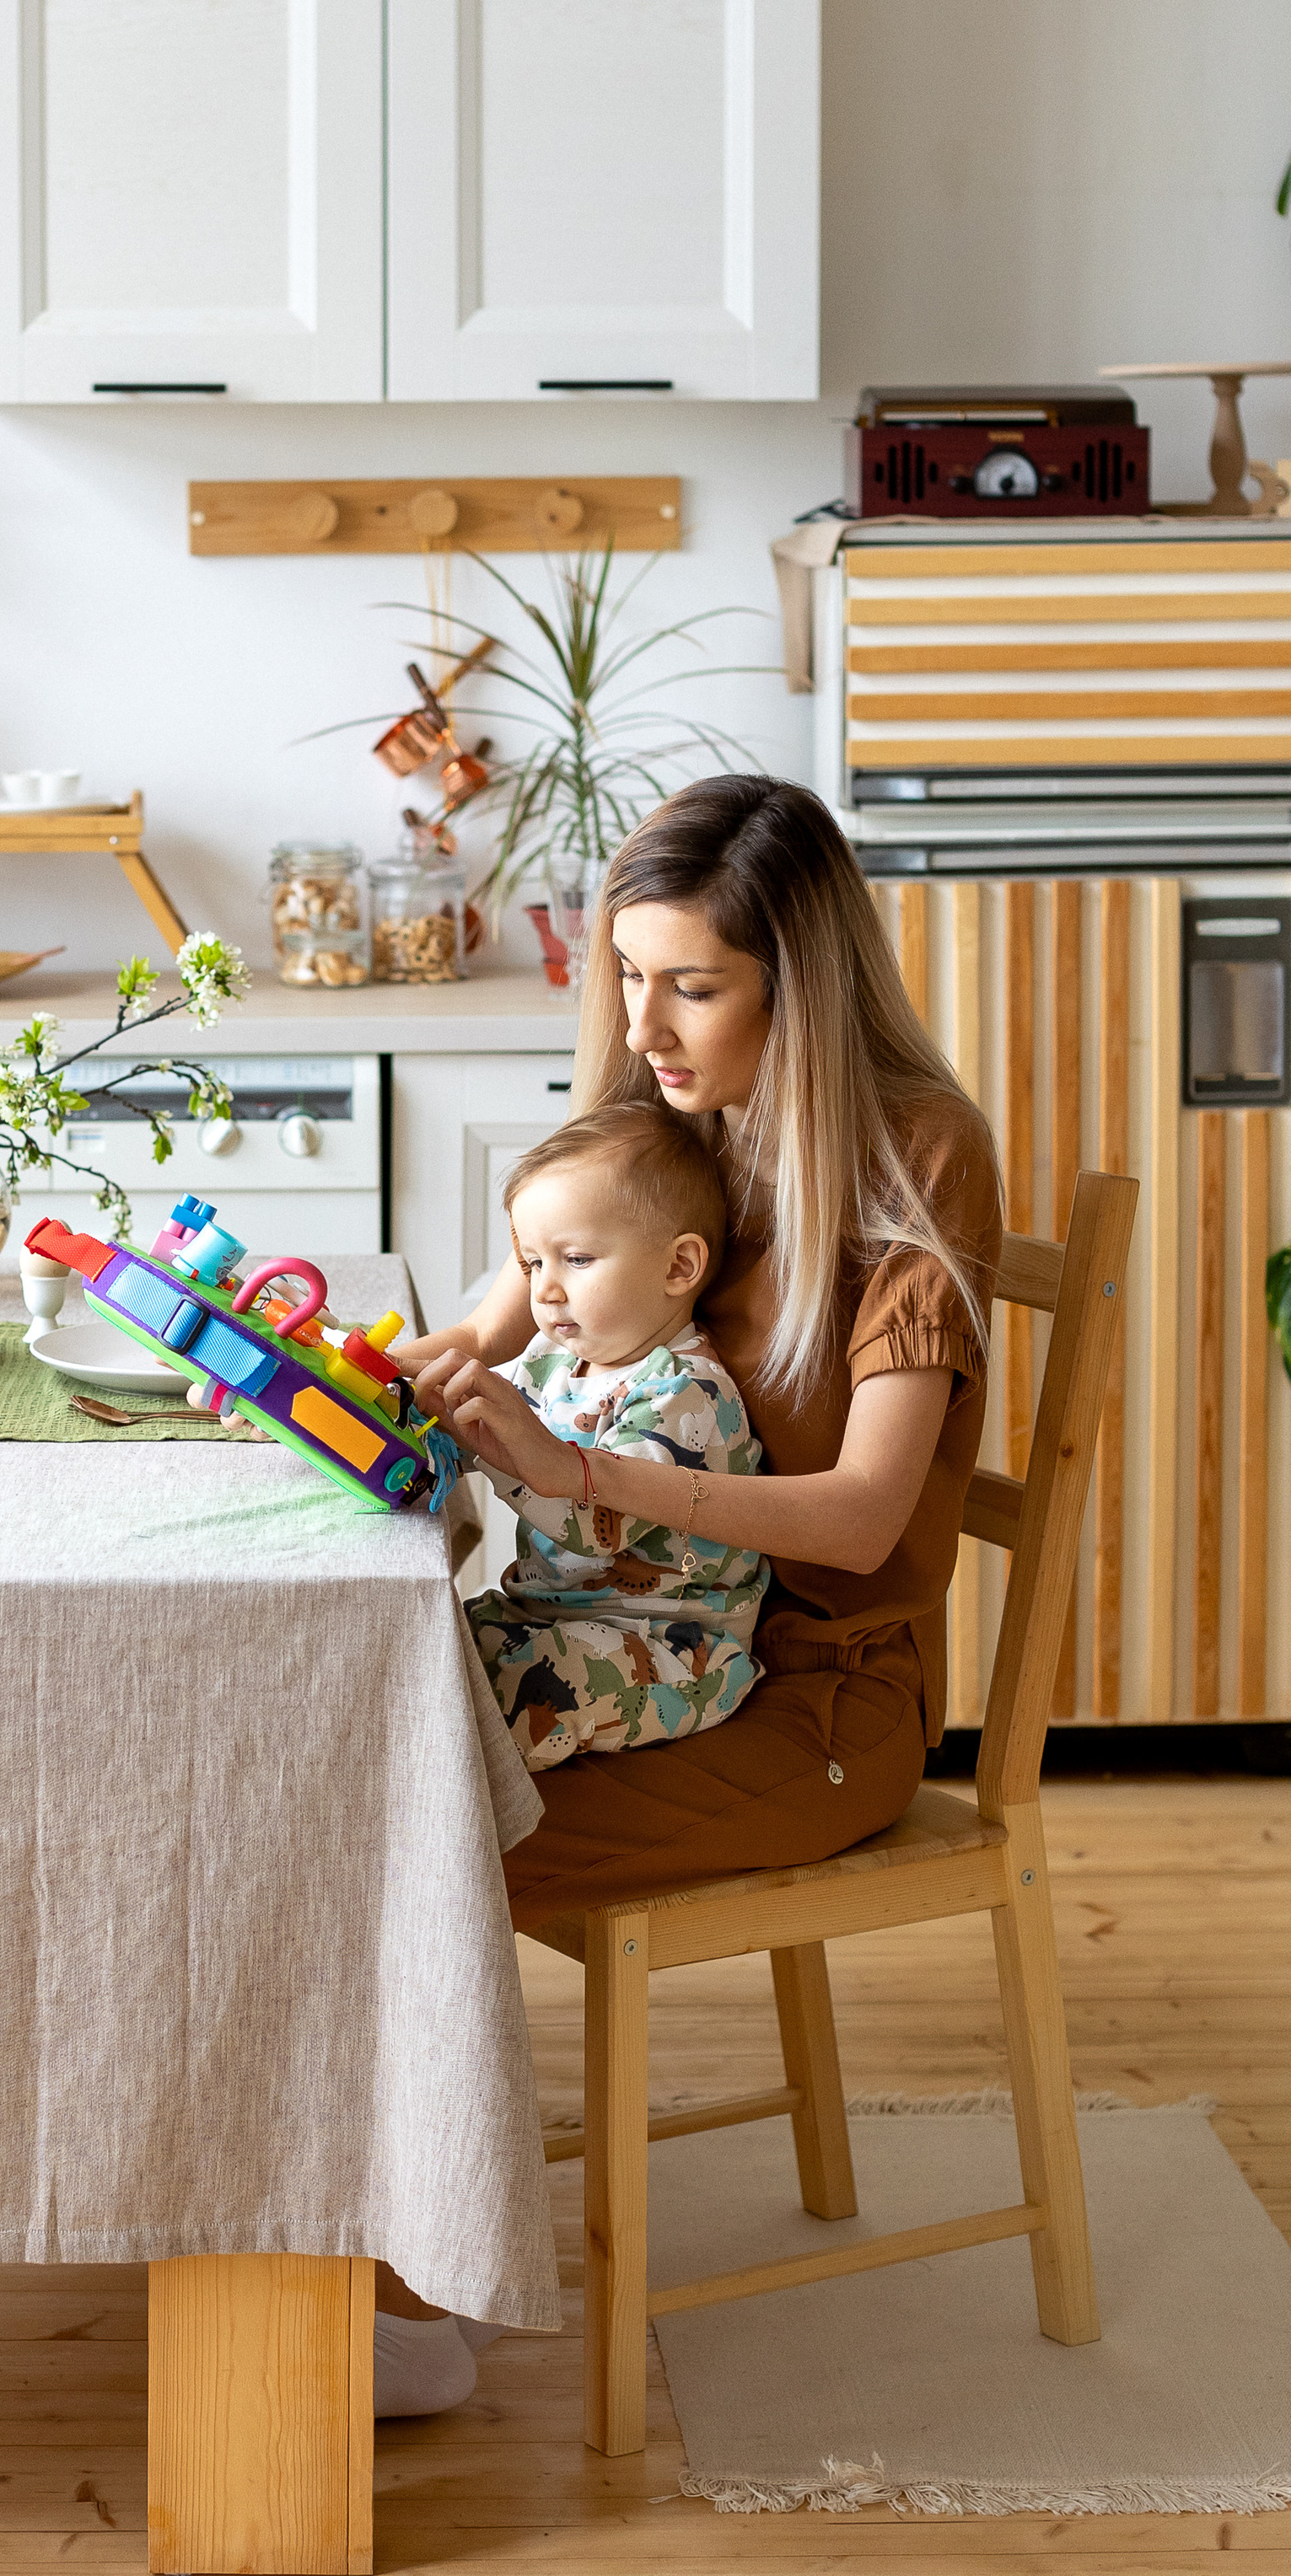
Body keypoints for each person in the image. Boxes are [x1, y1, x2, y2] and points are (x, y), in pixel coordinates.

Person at [373, 771, 1004, 2419]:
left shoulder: (917, 1160)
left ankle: (408, 2298)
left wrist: (579, 1471)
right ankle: (385, 2259)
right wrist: (335, 1377)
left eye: (692, 986)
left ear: (799, 986)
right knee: (356, 1778)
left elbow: (863, 1518)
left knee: (405, 1837)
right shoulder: (665, 1131)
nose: (645, 1023)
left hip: (819, 1699)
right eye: (627, 976)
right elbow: (477, 1334)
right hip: (631, 1651)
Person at [460, 1103, 767, 1771]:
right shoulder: (552, 1360)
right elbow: (470, 1419)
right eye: (532, 1263)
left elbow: (595, 1531)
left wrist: (492, 1445)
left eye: (576, 1259)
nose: (546, 1290)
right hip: (547, 1615)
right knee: (430, 1646)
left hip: (670, 1646)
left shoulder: (686, 1394)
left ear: (679, 1267)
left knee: (518, 1695)